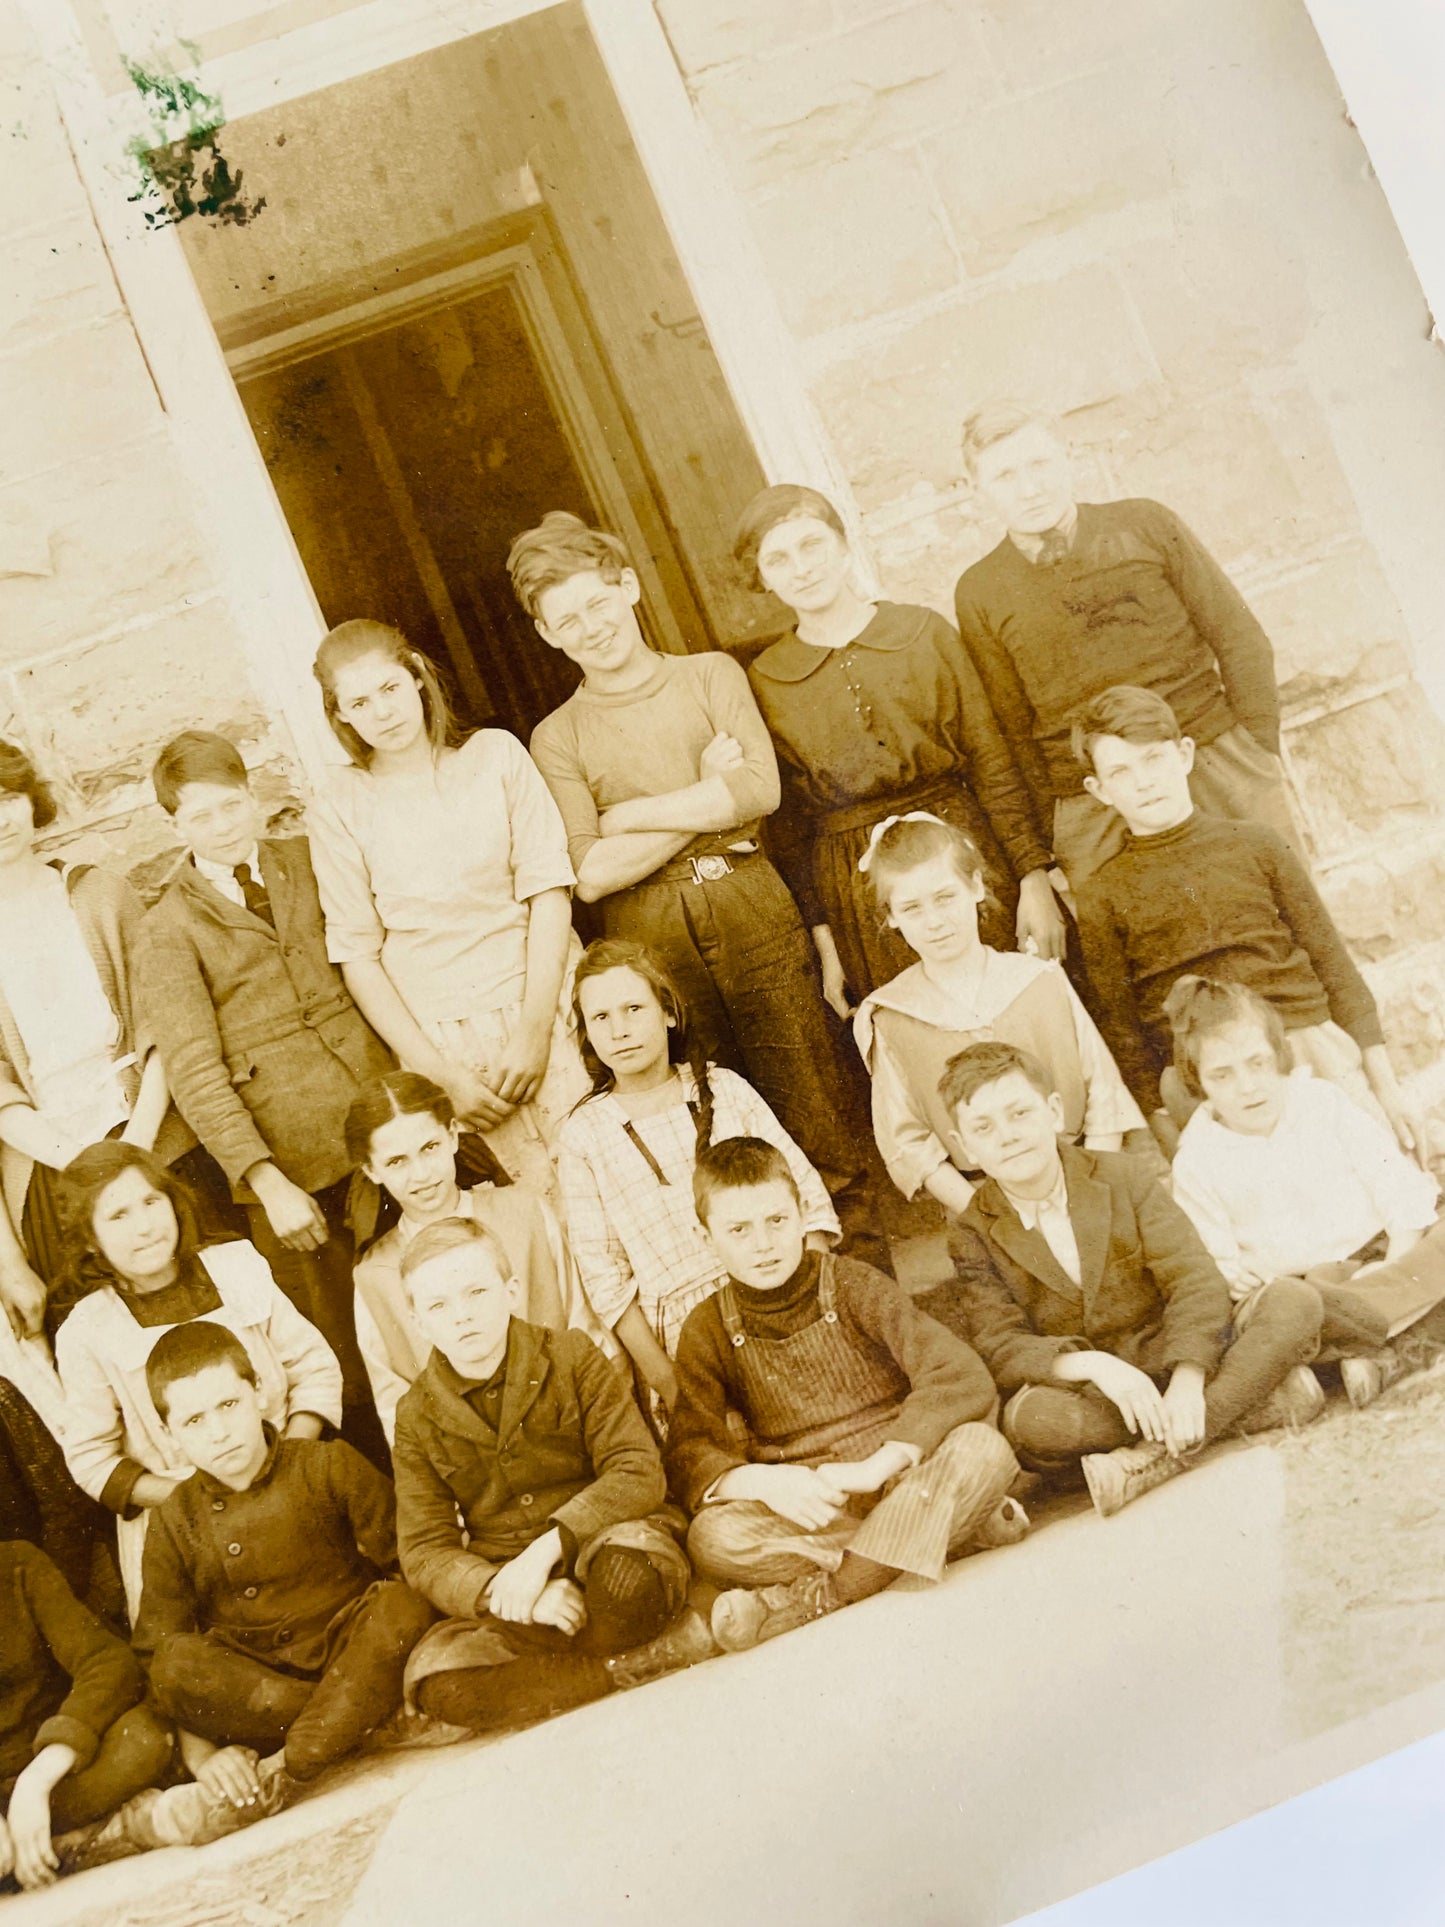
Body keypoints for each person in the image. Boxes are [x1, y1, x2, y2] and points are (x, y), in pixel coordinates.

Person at [517, 510, 879, 1245]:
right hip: (648, 936)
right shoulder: (557, 735)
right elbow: (588, 874)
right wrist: (697, 802)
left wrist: (628, 817)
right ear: (546, 635)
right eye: (566, 620)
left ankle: (861, 1305)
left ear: (627, 588)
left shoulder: (709, 674)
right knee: (704, 1123)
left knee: (815, 1106)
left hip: (750, 905)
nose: (589, 627)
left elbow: (759, 792)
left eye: (597, 602)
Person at [925, 1042, 1324, 1517]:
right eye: (984, 1129)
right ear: (964, 1146)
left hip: (1172, 1353)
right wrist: (1094, 1365)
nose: (1008, 1137)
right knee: (1034, 1424)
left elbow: (1193, 1279)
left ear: (1053, 1112)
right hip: (1098, 1395)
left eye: (1019, 1114)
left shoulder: (1121, 1176)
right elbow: (1001, 1343)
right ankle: (1255, 1402)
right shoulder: (972, 1230)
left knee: (1293, 1301)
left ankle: (1152, 1458)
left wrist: (1188, 1381)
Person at [138, 731, 395, 1467]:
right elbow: (193, 1068)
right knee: (342, 1355)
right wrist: (265, 1180)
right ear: (175, 827)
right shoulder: (168, 926)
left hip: (378, 1124)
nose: (223, 826)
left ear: (252, 796)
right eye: (201, 817)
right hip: (292, 1169)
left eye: (231, 805)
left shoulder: (305, 862)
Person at [668, 1137, 1024, 1653]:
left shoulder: (854, 1283)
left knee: (984, 1451)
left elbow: (957, 1373)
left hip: (899, 1475)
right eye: (738, 1231)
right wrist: (767, 1483)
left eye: (777, 1221)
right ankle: (947, 1532)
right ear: (707, 1241)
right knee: (713, 1538)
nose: (763, 1244)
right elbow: (689, 1451)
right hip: (815, 1505)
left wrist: (875, 1469)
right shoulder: (707, 1328)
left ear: (803, 1216)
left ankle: (822, 1595)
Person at [734, 483, 1064, 1008]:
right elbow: (790, 828)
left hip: (963, 854)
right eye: (779, 559)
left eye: (812, 545)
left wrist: (1033, 878)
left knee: (1016, 1007)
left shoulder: (922, 631)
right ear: (764, 579)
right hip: (861, 888)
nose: (802, 568)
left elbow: (991, 759)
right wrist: (828, 941)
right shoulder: (766, 681)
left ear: (844, 547)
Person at [952, 402, 1298, 889]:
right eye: (1005, 475)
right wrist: (1053, 834)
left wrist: (1257, 751)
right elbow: (1012, 728)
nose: (1030, 488)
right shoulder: (980, 591)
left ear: (1067, 455)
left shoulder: (1145, 525)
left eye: (1040, 464)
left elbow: (1240, 637)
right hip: (1093, 801)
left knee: (1281, 918)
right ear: (976, 489)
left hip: (1210, 758)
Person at [1070, 685, 1424, 1159]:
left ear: (1185, 754)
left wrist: (1387, 1087)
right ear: (1099, 789)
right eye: (1120, 771)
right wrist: (1172, 1129)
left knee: (1381, 1187)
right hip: (1206, 1079)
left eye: (1153, 759)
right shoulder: (1101, 893)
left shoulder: (1257, 844)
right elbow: (1123, 1027)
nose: (1142, 781)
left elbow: (1332, 963)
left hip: (1302, 1042)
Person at [393, 1218, 715, 1734]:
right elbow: (425, 1550)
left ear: (510, 1290)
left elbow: (636, 1471)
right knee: (439, 1686)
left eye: (476, 1291)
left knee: (628, 1584)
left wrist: (545, 1553)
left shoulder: (569, 1355)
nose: (463, 1316)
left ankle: (574, 1668)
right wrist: (513, 1590)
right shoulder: (415, 1414)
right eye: (438, 1305)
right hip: (514, 1592)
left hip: (605, 1544)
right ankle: (620, 1667)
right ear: (418, 1321)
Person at [309, 620, 588, 1205]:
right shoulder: (341, 801)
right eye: (359, 702)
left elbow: (549, 891)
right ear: (340, 716)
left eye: (390, 688)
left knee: (606, 1183)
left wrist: (537, 1031)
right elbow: (358, 954)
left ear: (416, 676)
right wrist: (439, 1076)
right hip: (444, 1044)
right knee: (531, 1217)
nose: (382, 712)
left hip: (546, 1005)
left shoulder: (495, 756)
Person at [133, 1321, 435, 1804]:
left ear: (258, 1393)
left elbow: (409, 1557)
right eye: (194, 1422)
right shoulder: (173, 1520)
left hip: (350, 1650)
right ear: (169, 1434)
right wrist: (204, 1757)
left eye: (228, 1405)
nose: (219, 1433)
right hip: (262, 1690)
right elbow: (159, 1653)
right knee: (174, 1665)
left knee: (402, 1602)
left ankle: (312, 1744)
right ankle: (350, 1721)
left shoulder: (324, 1464)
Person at [52, 1142, 342, 1615]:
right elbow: (91, 1459)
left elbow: (314, 1367)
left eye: (151, 1202)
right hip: (186, 1530)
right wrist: (201, 1501)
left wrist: (288, 1465)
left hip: (290, 1487)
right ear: (90, 1239)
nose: (145, 1226)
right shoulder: (87, 1330)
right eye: (118, 1215)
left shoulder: (236, 1265)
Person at [557, 940, 840, 1422]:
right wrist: (674, 1387)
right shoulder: (583, 1135)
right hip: (685, 1345)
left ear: (668, 1012)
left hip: (783, 1306)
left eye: (633, 1008)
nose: (620, 1031)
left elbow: (808, 1202)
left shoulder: (726, 1090)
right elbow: (607, 1281)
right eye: (601, 1018)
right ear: (585, 1032)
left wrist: (805, 1313)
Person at [1165, 976, 1445, 1407]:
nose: (1247, 1086)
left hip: (1387, 1255)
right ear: (1199, 1081)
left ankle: (1372, 1355)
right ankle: (1393, 1342)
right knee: (1284, 1313)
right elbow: (1225, 1272)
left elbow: (1397, 1191)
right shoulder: (1198, 1159)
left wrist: (1394, 1264)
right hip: (1310, 1293)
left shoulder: (1321, 1102)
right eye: (1223, 1074)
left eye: (1257, 1063)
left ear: (1278, 1056)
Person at [852, 813, 1142, 1213]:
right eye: (912, 908)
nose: (934, 921)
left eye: (945, 897)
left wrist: (1087, 1193)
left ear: (974, 886)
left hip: (1083, 1178)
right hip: (984, 1203)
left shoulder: (1038, 979)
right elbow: (908, 1142)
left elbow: (1104, 1094)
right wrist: (987, 1218)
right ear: (890, 917)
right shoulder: (891, 1016)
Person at [0, 739, 185, 1344]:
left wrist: (135, 1146)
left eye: (6, 798)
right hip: (53, 1162)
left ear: (31, 801)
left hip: (149, 1132)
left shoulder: (99, 893)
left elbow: (159, 1018)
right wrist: (78, 1163)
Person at [347, 1072, 610, 1447]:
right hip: (470, 1468)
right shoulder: (375, 1275)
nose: (421, 1174)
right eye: (397, 1162)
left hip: (573, 1431)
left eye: (430, 1148)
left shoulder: (525, 1213)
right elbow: (396, 1411)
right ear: (371, 1170)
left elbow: (587, 1329)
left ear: (453, 1135)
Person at [0, 1541, 175, 1889]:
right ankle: (102, 1835)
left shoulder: (17, 1564)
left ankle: (51, 1849)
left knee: (145, 1738)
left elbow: (109, 1664)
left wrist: (36, 1780)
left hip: (56, 1774)